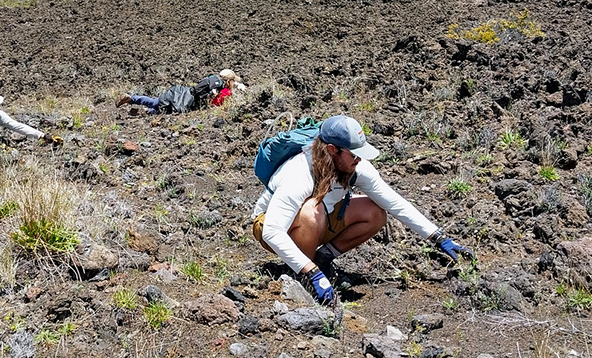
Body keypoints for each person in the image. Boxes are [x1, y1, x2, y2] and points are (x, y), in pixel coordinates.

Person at [251, 115, 473, 305]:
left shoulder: (354, 166)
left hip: (320, 219)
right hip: (273, 226)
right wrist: (312, 273)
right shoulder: (299, 173)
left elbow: (394, 202)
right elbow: (272, 231)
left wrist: (438, 237)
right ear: (332, 150)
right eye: (354, 154)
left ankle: (322, 258)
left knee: (374, 211)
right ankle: (305, 274)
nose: (359, 159)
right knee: (311, 210)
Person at [116, 69, 246, 114]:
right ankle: (132, 99)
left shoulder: (214, 79)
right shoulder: (217, 85)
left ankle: (142, 110)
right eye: (233, 81)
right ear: (228, 81)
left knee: (162, 108)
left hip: (181, 93)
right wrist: (210, 96)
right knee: (158, 103)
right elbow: (198, 94)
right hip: (183, 99)